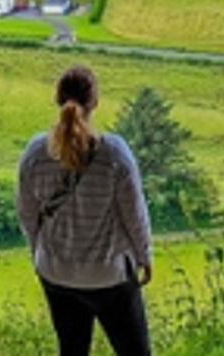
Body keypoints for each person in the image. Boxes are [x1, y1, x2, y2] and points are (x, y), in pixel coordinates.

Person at [17, 65, 154, 356]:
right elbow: (134, 215)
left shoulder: (35, 152)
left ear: (57, 100)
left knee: (72, 350)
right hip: (111, 275)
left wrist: (39, 252)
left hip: (56, 273)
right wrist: (144, 256)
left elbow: (27, 215)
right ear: (95, 102)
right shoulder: (115, 154)